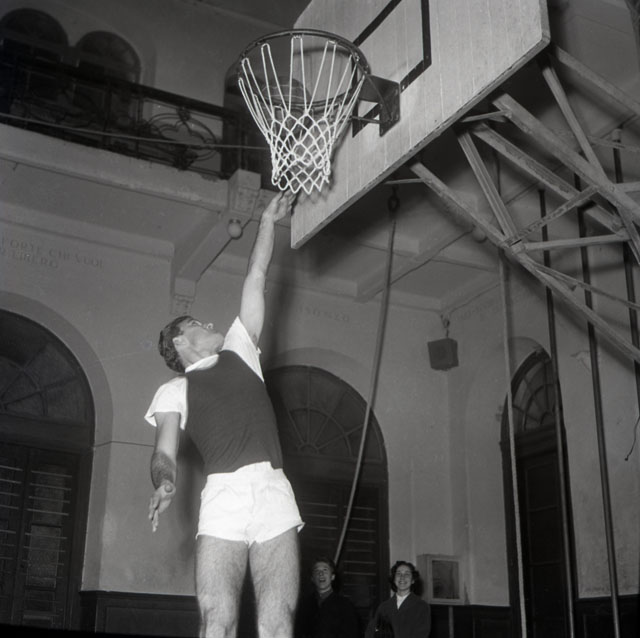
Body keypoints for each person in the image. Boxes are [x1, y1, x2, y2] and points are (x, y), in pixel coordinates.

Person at [145, 191, 303, 638]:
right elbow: (164, 453)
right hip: (223, 496)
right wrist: (165, 482)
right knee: (218, 621)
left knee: (277, 622)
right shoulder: (175, 389)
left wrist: (268, 221)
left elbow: (256, 275)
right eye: (198, 324)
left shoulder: (241, 349)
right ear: (180, 341)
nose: (211, 325)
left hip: (272, 489)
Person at [295, 556, 361, 638]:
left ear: (332, 577)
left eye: (325, 570)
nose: (321, 574)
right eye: (317, 571)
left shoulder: (345, 606)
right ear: (312, 578)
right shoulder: (304, 605)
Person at [365, 561, 430, 638]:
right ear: (394, 579)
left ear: (413, 580)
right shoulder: (384, 607)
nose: (402, 577)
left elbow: (421, 635)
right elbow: (370, 633)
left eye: (407, 574)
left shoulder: (422, 606)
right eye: (398, 574)